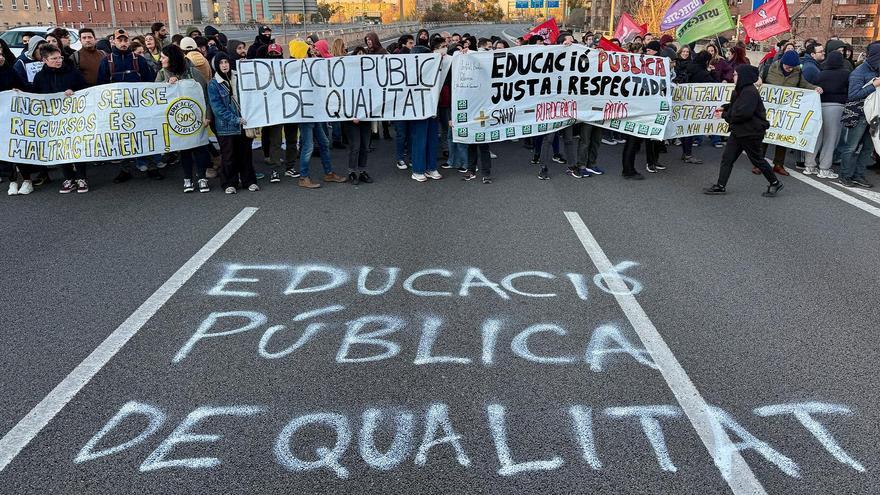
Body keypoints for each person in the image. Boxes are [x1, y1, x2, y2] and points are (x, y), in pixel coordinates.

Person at [704, 65, 783, 196]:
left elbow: (743, 113)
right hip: (739, 131)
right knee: (727, 158)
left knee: (757, 160)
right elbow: (736, 106)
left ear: (743, 76)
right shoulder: (740, 90)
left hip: (751, 132)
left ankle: (775, 183)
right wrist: (725, 107)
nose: (733, 77)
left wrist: (724, 115)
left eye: (735, 74)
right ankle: (720, 185)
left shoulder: (750, 92)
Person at [32, 44, 89, 193]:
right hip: (53, 119)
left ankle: (81, 177)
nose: (58, 61)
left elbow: (86, 89)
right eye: (54, 58)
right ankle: (69, 178)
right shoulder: (40, 77)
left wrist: (74, 91)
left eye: (60, 57)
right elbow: (35, 96)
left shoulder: (73, 73)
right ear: (45, 60)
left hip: (73, 117)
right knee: (60, 148)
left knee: (76, 146)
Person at [156, 44, 212, 193]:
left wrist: (207, 116)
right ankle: (187, 178)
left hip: (197, 118)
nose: (161, 60)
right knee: (185, 150)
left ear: (172, 58)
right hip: (177, 121)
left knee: (200, 149)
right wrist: (166, 85)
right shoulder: (162, 73)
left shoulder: (194, 72)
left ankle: (202, 178)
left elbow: (205, 95)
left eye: (163, 57)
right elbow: (155, 93)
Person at [761, 50, 821, 176]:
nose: (790, 69)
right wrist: (758, 81)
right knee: (765, 136)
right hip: (770, 109)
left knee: (782, 137)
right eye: (788, 66)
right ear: (782, 63)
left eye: (792, 67)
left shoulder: (797, 72)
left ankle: (779, 164)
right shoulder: (769, 68)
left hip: (786, 109)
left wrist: (814, 88)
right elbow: (760, 80)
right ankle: (759, 164)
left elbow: (804, 84)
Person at [208, 52, 258, 194]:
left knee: (246, 154)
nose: (224, 65)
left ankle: (249, 181)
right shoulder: (213, 84)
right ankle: (229, 182)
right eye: (221, 63)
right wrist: (236, 119)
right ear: (216, 66)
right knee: (228, 156)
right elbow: (217, 109)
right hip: (226, 127)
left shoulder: (240, 77)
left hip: (244, 124)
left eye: (226, 62)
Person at [837, 42, 880, 188]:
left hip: (874, 115)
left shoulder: (876, 69)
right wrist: (873, 85)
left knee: (868, 148)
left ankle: (858, 176)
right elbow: (853, 95)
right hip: (859, 114)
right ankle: (845, 175)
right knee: (851, 147)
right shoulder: (859, 72)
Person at [620, 41, 665, 179]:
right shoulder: (642, 64)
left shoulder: (657, 66)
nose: (647, 53)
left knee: (635, 141)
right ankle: (628, 170)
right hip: (637, 109)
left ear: (656, 52)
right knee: (632, 141)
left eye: (650, 51)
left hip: (643, 109)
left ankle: (629, 169)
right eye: (647, 51)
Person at [804, 51, 847, 179]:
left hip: (818, 105)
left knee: (816, 137)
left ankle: (809, 165)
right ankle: (824, 168)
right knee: (831, 139)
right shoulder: (846, 74)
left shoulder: (820, 73)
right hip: (836, 107)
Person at [0, 40, 24, 195]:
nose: (0, 57)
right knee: (4, 150)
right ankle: (12, 180)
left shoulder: (10, 70)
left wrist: (17, 90)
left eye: (1, 54)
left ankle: (26, 178)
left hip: (13, 115)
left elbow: (23, 87)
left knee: (17, 146)